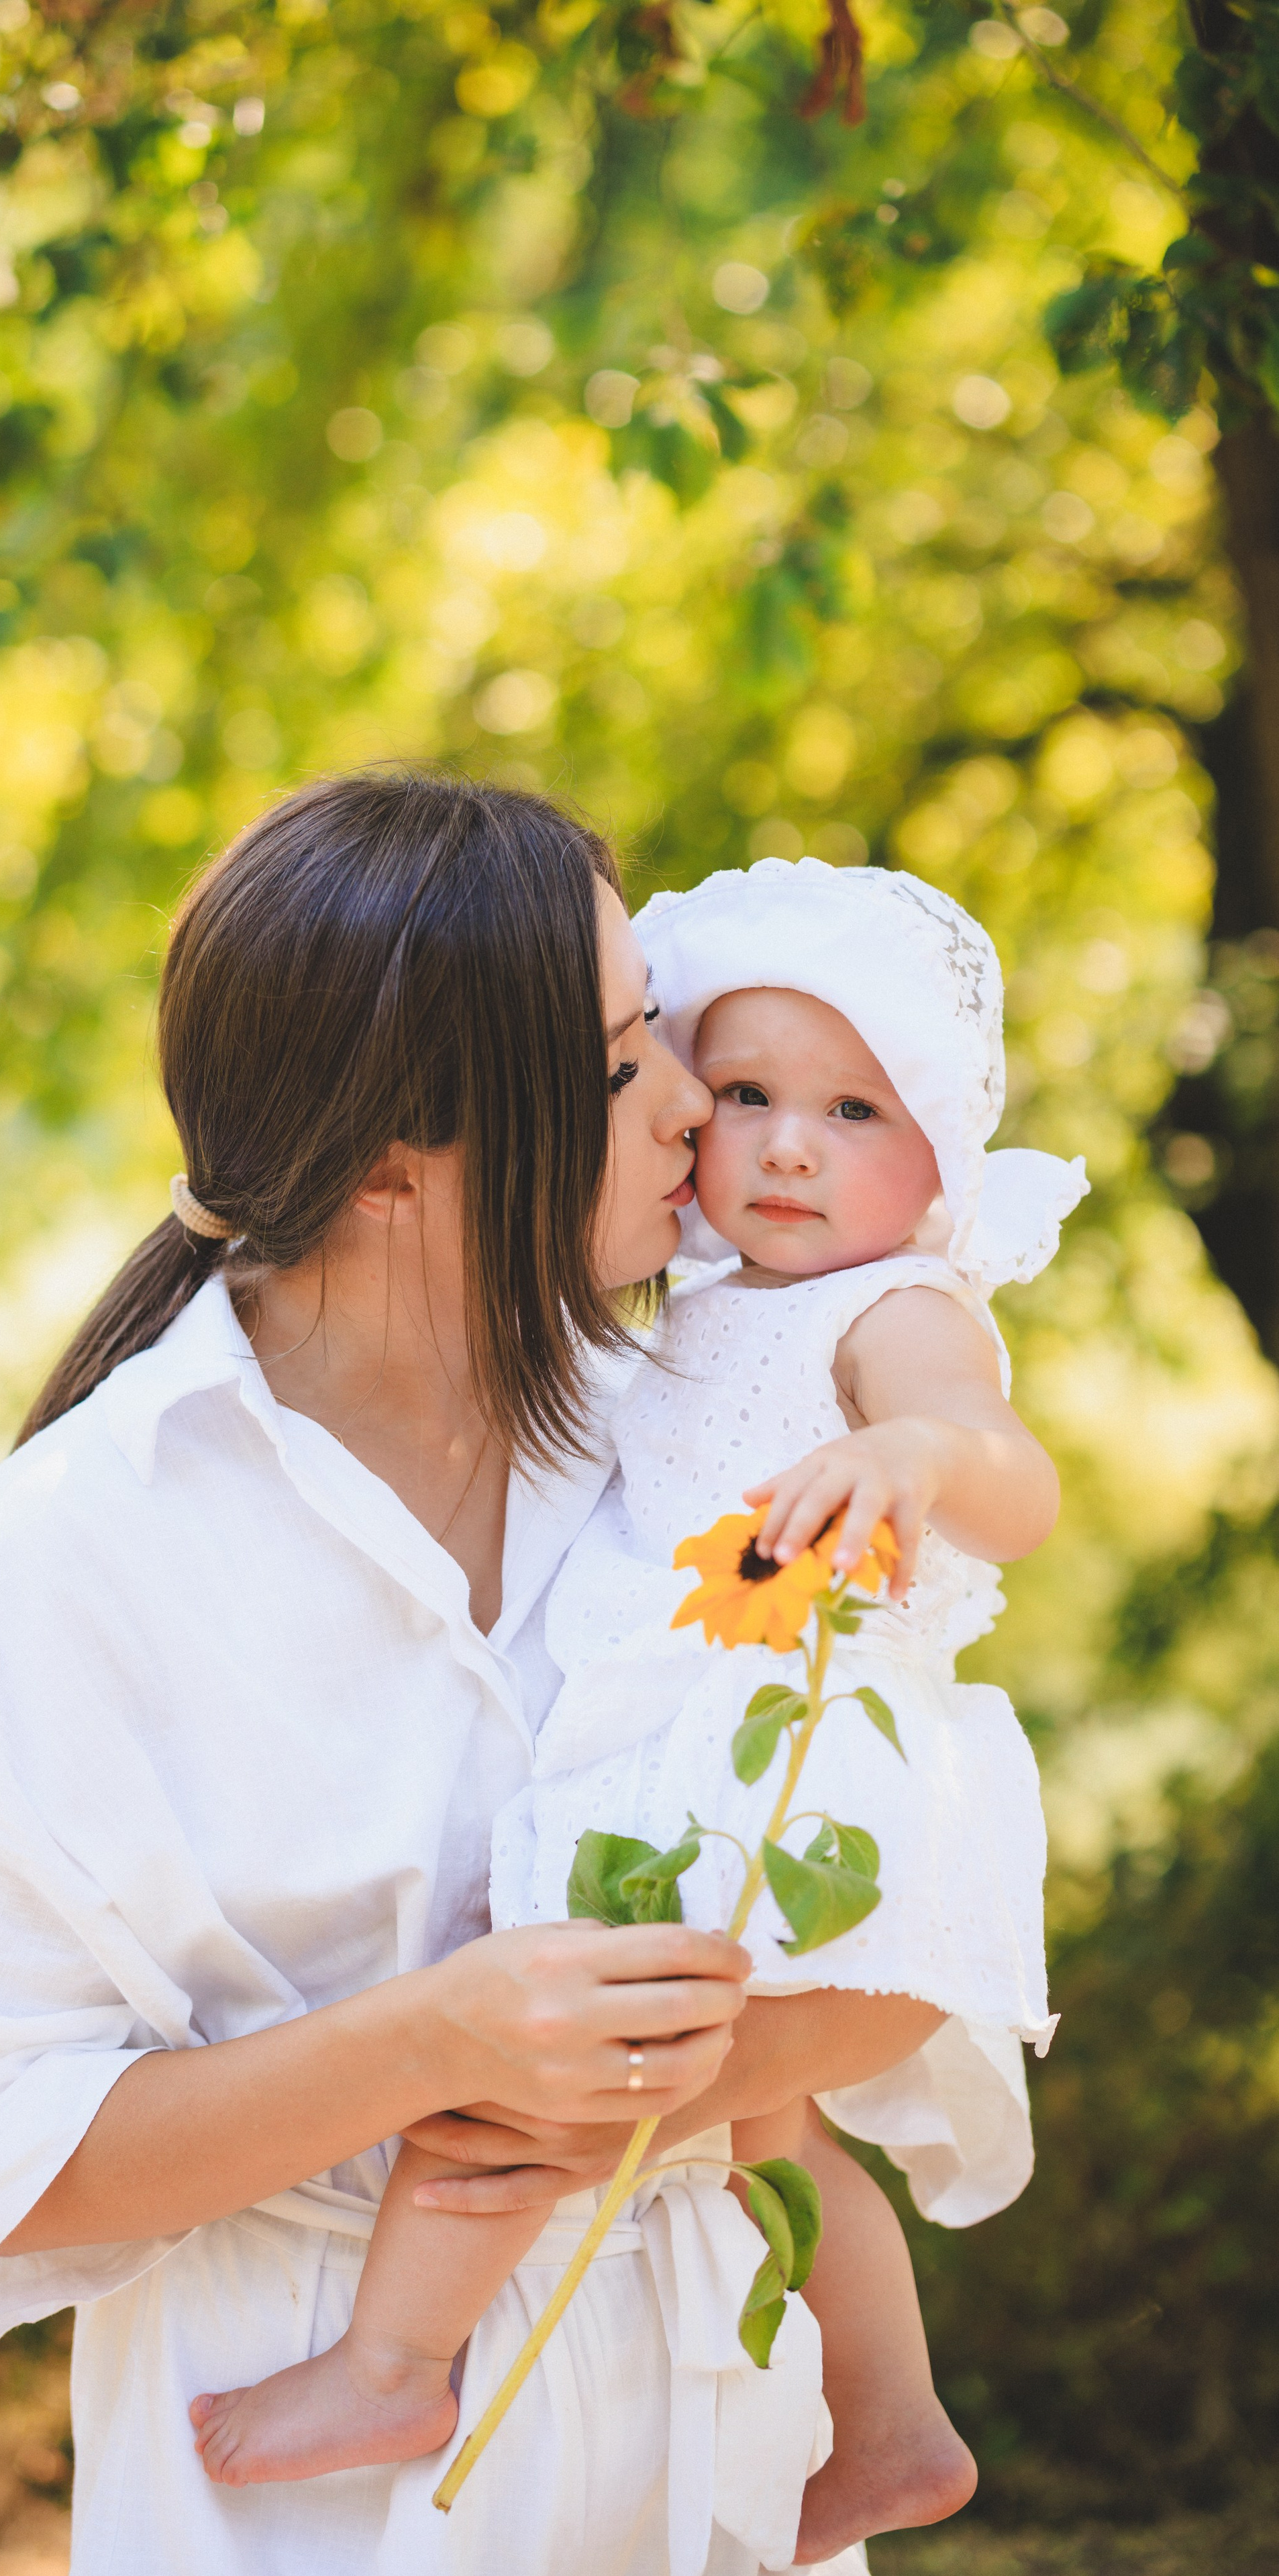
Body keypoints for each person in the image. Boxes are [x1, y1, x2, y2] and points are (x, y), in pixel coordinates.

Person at [0, 779, 948, 2576]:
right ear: (402, 1150)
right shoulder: (89, 1542)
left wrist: (633, 2071)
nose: (690, 1101)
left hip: (710, 2410)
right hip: (301, 2473)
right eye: (626, 1049)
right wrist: (430, 2044)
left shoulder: (711, 1444)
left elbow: (918, 1942)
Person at [193, 855, 1086, 2567]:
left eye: (848, 1106)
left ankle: (394, 2361)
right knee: (772, 2121)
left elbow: (1011, 1473)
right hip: (689, 1718)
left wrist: (913, 1455)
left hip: (774, 1748)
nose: (787, 1145)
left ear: (942, 1157)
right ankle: (891, 2422)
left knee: (540, 2080)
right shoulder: (696, 1305)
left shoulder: (892, 1313)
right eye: (742, 1094)